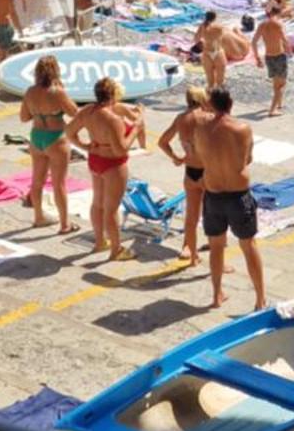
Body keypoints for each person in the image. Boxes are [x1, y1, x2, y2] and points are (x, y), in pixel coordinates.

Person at [196, 87, 264, 310]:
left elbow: (199, 154)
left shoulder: (201, 129)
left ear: (211, 105)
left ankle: (216, 294)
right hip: (238, 194)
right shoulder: (242, 128)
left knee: (216, 246)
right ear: (231, 104)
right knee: (248, 245)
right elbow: (248, 158)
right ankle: (260, 299)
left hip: (213, 193)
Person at [64, 78, 145, 261]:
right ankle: (116, 250)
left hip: (95, 160)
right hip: (113, 164)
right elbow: (121, 149)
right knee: (111, 209)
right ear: (114, 96)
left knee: (97, 203)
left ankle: (100, 241)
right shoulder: (113, 119)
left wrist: (85, 146)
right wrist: (136, 129)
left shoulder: (88, 111)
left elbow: (69, 131)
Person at [18, 56, 77, 232]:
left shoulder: (30, 91)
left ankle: (38, 217)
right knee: (59, 184)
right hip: (56, 137)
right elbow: (74, 112)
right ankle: (65, 224)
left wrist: (39, 112)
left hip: (36, 137)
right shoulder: (57, 91)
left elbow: (23, 117)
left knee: (37, 181)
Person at [157, 85, 210, 267]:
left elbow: (162, 142)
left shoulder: (180, 119)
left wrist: (176, 157)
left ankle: (189, 250)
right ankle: (214, 244)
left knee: (191, 216)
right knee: (213, 212)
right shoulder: (207, 118)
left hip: (190, 170)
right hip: (207, 171)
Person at [252, 3, 292, 116]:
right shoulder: (279, 24)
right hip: (279, 55)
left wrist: (257, 57)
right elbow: (285, 39)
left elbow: (254, 42)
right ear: (279, 12)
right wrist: (290, 51)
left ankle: (279, 104)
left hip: (268, 56)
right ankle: (272, 109)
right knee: (281, 84)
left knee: (275, 83)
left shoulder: (262, 25)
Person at [198, 12, 250, 90]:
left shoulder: (211, 34)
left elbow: (198, 40)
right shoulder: (221, 28)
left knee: (211, 77)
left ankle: (213, 88)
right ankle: (219, 87)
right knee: (235, 30)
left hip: (234, 54)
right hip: (245, 50)